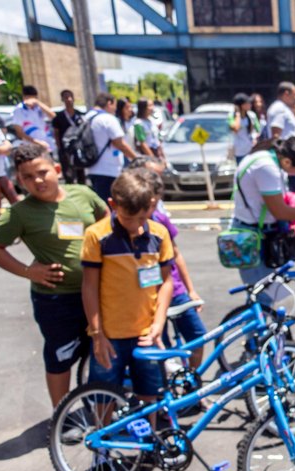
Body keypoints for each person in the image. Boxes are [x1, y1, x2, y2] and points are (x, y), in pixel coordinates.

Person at [0, 144, 107, 407]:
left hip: (99, 292)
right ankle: (62, 416)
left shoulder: (83, 195)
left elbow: (106, 219)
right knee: (61, 357)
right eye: (27, 177)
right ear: (19, 180)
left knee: (101, 352)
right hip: (56, 299)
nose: (37, 181)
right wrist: (28, 271)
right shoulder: (20, 213)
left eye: (42, 172)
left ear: (56, 169)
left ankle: (104, 410)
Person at [81, 168, 174, 425]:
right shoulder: (97, 236)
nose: (137, 226)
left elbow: (166, 281)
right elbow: (89, 286)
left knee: (149, 393)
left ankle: (149, 443)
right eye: (129, 218)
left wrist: (158, 325)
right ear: (113, 205)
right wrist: (97, 335)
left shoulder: (158, 233)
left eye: (144, 217)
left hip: (146, 333)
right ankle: (102, 446)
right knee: (103, 395)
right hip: (109, 336)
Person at [229, 136, 295, 305]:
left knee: (263, 295)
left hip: (255, 232)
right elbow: (281, 212)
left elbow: (275, 198)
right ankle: (258, 332)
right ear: (287, 162)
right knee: (262, 298)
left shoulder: (267, 157)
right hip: (254, 238)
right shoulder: (267, 167)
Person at [140, 165, 207, 370]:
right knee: (161, 347)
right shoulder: (125, 226)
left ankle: (190, 384)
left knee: (198, 337)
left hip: (176, 290)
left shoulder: (160, 222)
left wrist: (191, 290)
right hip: (147, 295)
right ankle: (167, 391)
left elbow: (176, 255)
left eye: (155, 202)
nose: (151, 207)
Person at [86, 93, 137, 201]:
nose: (115, 109)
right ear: (109, 103)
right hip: (109, 170)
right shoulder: (107, 118)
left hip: (92, 168)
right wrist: (136, 158)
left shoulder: (87, 117)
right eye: (114, 105)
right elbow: (120, 143)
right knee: (111, 206)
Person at [266, 82, 295, 195]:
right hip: (288, 157)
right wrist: (283, 157)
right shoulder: (279, 109)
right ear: (286, 94)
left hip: (289, 157)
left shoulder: (282, 108)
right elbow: (276, 135)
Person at [51, 89, 86, 184]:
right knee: (68, 173)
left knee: (81, 173)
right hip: (65, 148)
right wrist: (60, 149)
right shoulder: (59, 117)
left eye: (70, 97)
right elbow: (56, 133)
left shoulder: (80, 114)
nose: (69, 99)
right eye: (66, 97)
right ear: (62, 99)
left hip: (79, 148)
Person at [11, 85, 56, 152]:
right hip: (31, 146)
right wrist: (37, 142)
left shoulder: (38, 107)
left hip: (47, 144)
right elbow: (20, 132)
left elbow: (53, 116)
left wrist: (38, 103)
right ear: (24, 97)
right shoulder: (18, 110)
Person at [229, 93, 261, 165]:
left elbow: (258, 129)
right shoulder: (232, 116)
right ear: (241, 105)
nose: (250, 105)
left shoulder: (251, 115)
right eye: (247, 103)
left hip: (251, 148)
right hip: (239, 150)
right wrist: (238, 114)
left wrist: (255, 138)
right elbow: (235, 129)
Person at [0, 116, 11, 219]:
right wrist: (3, 150)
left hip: (0, 169)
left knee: (14, 199)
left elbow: (7, 143)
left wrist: (3, 149)